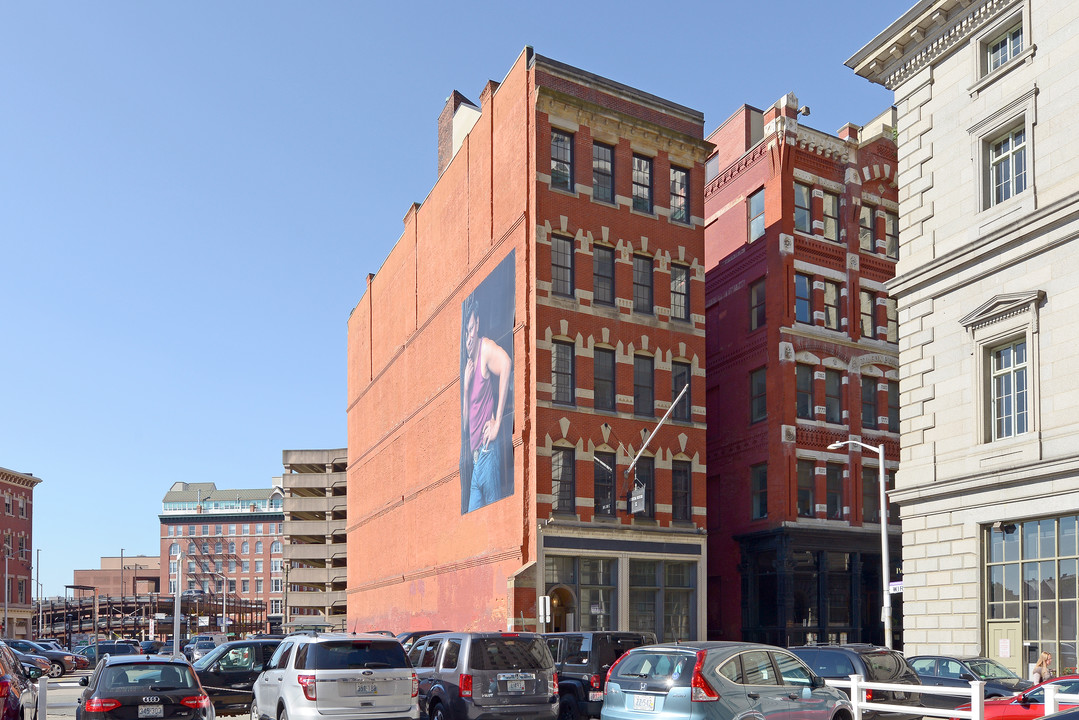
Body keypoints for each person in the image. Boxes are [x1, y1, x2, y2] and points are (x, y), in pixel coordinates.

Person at [461, 294, 511, 512]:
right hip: (475, 462)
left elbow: (507, 363)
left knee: (493, 521)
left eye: (472, 329)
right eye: (466, 333)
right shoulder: (468, 366)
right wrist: (465, 388)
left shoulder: (484, 349)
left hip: (487, 453)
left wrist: (498, 422)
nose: (469, 337)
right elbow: (464, 425)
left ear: (478, 324)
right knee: (474, 522)